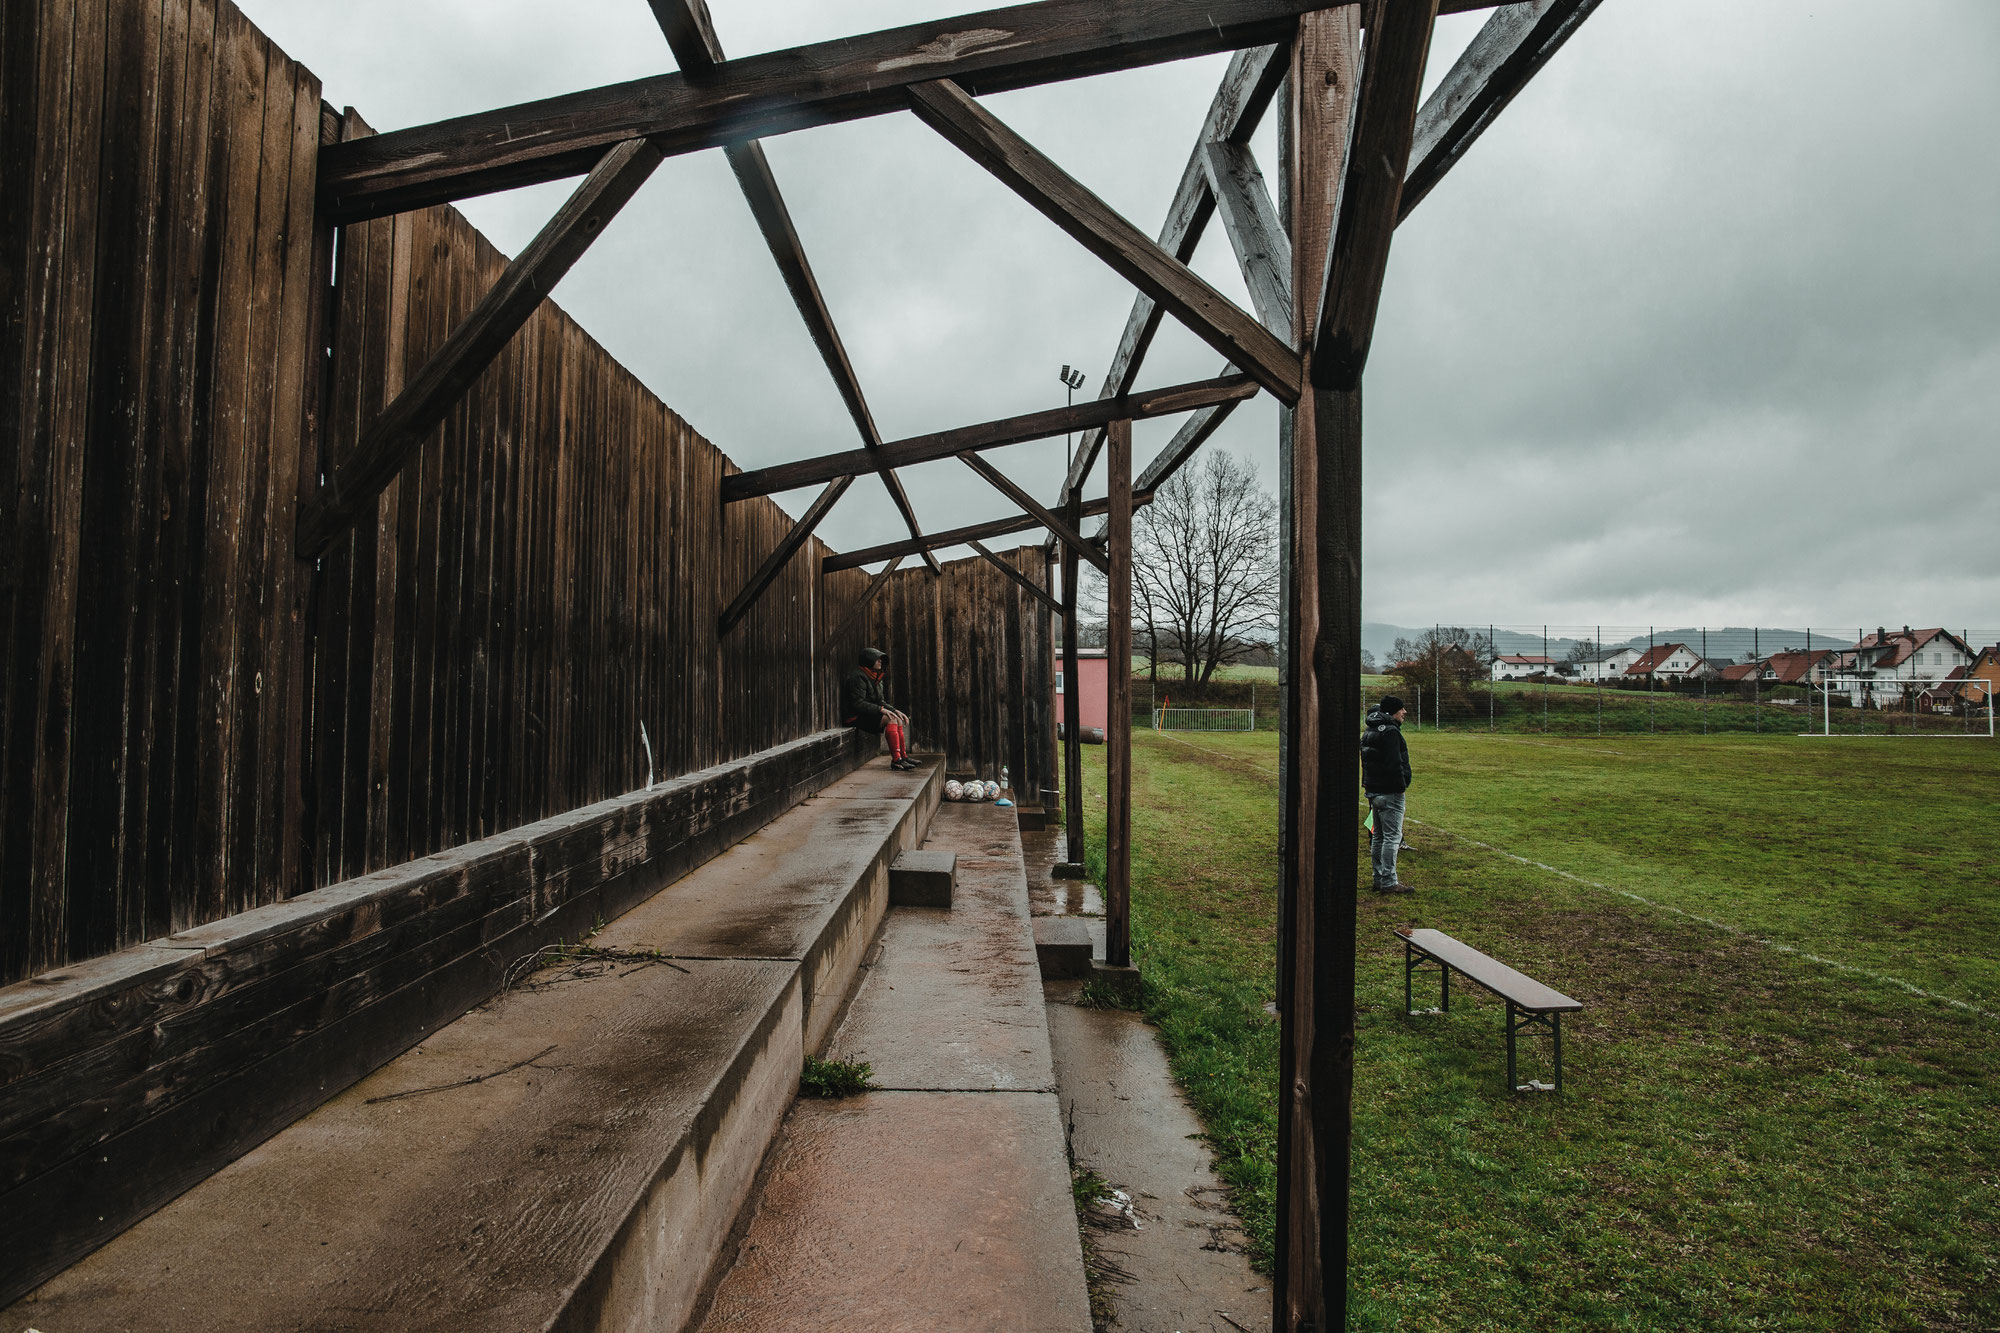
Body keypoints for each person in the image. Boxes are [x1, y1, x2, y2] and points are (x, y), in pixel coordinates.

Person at [1361, 695, 1413, 893]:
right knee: (1392, 838)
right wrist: (1401, 786)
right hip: (1390, 792)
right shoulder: (1391, 732)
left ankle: (1378, 878)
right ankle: (1389, 882)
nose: (1404, 712)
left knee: (1378, 837)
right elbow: (1394, 764)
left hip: (1373, 790)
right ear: (1392, 711)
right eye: (1401, 709)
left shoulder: (1370, 730)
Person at [843, 647, 917, 771]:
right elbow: (858, 704)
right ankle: (896, 761)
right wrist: (880, 710)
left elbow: (880, 701)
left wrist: (894, 711)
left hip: (867, 713)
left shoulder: (875, 677)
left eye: (881, 660)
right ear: (868, 661)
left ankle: (903, 757)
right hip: (855, 717)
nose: (880, 662)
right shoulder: (858, 677)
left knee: (896, 718)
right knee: (890, 720)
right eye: (877, 659)